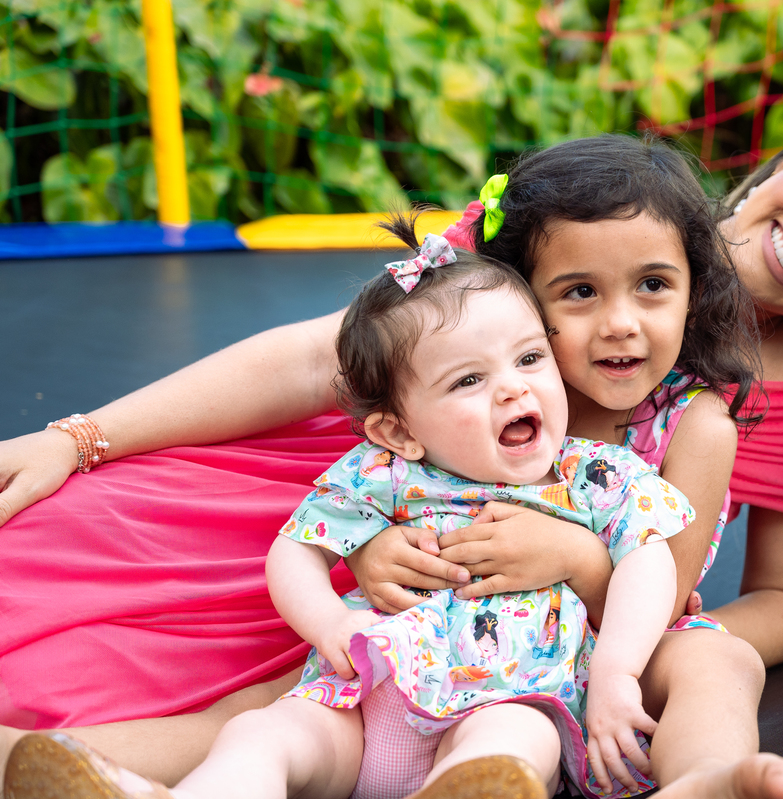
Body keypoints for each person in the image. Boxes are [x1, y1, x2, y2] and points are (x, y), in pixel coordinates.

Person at [1, 105, 783, 799]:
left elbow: (726, 581)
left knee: (713, 659)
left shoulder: (733, 413)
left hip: (570, 612)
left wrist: (602, 604)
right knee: (276, 691)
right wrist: (79, 438)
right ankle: (65, 763)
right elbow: (324, 359)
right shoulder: (595, 215)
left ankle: (697, 778)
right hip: (387, 524)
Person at [5, 216, 696, 799]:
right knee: (263, 731)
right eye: (469, 379)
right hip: (364, 699)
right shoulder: (383, 473)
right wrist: (329, 619)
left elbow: (648, 559)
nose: (513, 390)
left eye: (527, 360)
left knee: (516, 741)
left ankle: (462, 785)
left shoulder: (597, 472)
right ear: (400, 427)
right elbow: (297, 549)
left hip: (505, 696)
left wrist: (613, 675)